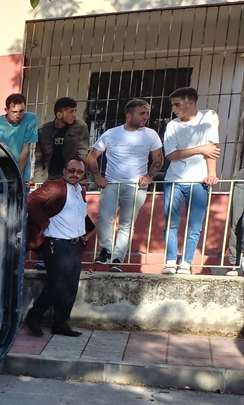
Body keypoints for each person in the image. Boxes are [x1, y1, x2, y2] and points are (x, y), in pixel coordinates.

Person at [86, 99, 163, 272]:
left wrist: (149, 176)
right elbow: (91, 157)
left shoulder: (151, 134)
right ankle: (106, 250)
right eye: (141, 113)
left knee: (127, 224)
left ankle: (117, 259)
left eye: (147, 113)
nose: (146, 116)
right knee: (105, 217)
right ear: (129, 115)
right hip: (112, 183)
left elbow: (158, 159)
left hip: (136, 186)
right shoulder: (111, 134)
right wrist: (98, 177)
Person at [23, 158, 91, 337]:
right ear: (64, 171)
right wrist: (43, 222)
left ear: (84, 174)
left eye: (79, 171)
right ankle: (34, 316)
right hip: (56, 242)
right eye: (71, 170)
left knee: (70, 285)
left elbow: (78, 214)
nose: (75, 174)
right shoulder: (54, 186)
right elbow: (31, 201)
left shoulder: (80, 190)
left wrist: (84, 234)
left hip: (74, 244)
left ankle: (61, 323)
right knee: (58, 283)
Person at [161, 87, 220, 274]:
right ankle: (170, 261)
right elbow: (170, 154)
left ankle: (186, 262)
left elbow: (212, 148)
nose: (174, 109)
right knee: (171, 222)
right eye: (173, 105)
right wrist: (199, 149)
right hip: (174, 180)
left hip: (199, 181)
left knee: (195, 224)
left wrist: (212, 174)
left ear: (191, 102)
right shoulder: (172, 125)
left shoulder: (209, 116)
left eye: (177, 104)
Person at [34, 97, 89, 184]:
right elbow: (39, 157)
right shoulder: (44, 130)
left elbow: (82, 154)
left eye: (75, 111)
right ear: (59, 115)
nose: (74, 115)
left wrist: (80, 178)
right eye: (71, 111)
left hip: (72, 178)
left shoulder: (80, 127)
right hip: (50, 178)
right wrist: (37, 181)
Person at [0, 93, 38, 182]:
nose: (18, 115)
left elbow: (26, 148)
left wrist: (19, 176)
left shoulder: (31, 119)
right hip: (0, 174)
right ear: (6, 110)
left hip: (22, 174)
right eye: (14, 112)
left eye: (21, 111)